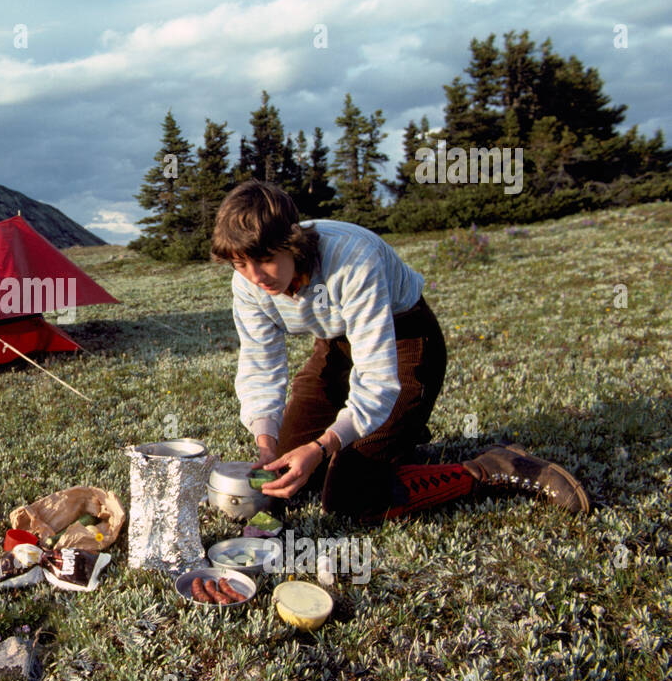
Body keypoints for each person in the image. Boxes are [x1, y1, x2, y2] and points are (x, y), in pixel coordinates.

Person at [213, 180, 589, 521]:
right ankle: (389, 447)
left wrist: (322, 445)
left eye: (264, 260)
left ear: (292, 242)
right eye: (241, 264)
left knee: (349, 499)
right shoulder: (247, 282)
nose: (255, 277)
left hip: (404, 338)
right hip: (338, 344)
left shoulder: (352, 259)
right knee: (283, 473)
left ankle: (492, 466)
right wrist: (267, 445)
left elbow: (376, 379)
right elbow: (261, 364)